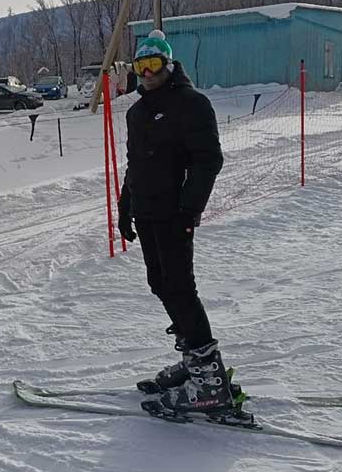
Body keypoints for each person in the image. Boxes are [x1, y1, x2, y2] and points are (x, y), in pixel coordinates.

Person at [117, 30, 227, 414]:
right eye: (140, 66)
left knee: (180, 288)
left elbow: (208, 160)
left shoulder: (191, 103)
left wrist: (188, 209)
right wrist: (124, 207)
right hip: (146, 214)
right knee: (159, 283)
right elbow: (135, 164)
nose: (147, 73)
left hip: (173, 214)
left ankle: (211, 382)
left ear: (168, 64)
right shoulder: (137, 111)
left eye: (154, 65)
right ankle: (194, 363)